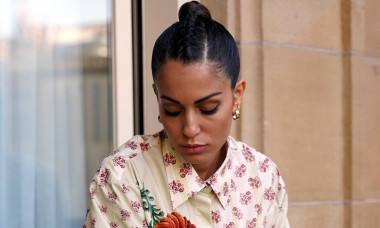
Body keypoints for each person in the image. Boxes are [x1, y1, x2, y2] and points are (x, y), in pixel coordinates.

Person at [83, 1, 289, 227]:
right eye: (172, 110)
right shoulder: (123, 176)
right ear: (158, 97)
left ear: (237, 96)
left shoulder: (262, 178)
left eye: (208, 108)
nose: (190, 128)